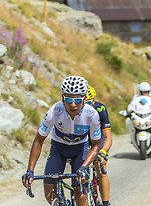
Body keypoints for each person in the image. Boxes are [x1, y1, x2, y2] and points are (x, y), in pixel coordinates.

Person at [22, 76, 101, 206]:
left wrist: (84, 166)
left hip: (80, 150)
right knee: (48, 193)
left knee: (80, 196)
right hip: (58, 149)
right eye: (68, 99)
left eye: (77, 100)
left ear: (84, 99)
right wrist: (30, 170)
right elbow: (39, 140)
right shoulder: (54, 111)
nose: (73, 104)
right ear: (62, 98)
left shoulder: (91, 115)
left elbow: (96, 146)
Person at [85, 86, 112, 206]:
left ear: (94, 100)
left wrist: (103, 152)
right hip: (83, 139)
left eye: (89, 102)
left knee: (101, 167)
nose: (86, 106)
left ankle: (105, 203)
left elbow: (107, 137)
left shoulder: (100, 108)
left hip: (98, 138)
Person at [127, 82, 151, 146]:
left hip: (149, 114)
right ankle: (133, 137)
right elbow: (132, 105)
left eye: (146, 92)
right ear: (140, 92)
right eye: (143, 92)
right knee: (130, 121)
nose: (145, 93)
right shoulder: (136, 97)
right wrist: (130, 110)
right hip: (139, 115)